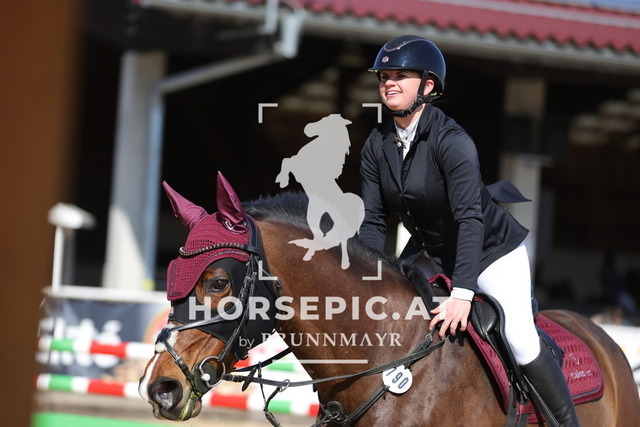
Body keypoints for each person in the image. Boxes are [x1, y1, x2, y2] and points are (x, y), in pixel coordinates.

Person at [358, 35, 579, 426]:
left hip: (491, 251)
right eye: (384, 77)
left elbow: (469, 220)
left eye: (400, 76)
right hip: (431, 251)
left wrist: (462, 292)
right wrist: (369, 280)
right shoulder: (377, 144)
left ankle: (566, 423)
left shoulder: (452, 141)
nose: (388, 83)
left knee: (519, 338)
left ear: (428, 85)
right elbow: (374, 221)